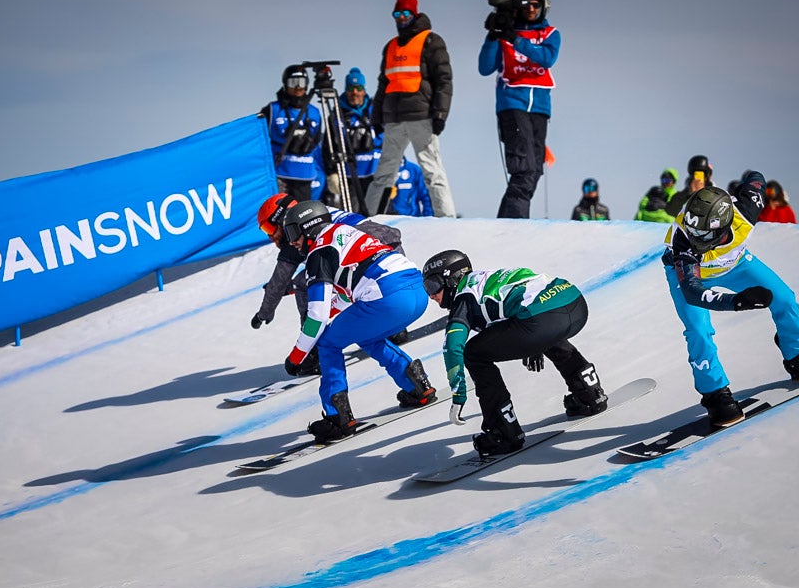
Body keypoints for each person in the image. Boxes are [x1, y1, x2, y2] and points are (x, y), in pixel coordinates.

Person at [662, 172, 799, 427]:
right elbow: (692, 292)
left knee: (784, 298)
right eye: (694, 233)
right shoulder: (683, 241)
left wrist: (752, 180)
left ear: (725, 226)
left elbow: (756, 179)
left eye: (705, 237)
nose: (697, 242)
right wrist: (735, 301)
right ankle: (714, 393)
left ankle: (798, 357)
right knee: (698, 330)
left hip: (736, 264)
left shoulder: (746, 210)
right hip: (692, 275)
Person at [420, 250, 606, 456]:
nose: (431, 295)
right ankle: (589, 394)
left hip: (542, 320)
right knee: (539, 327)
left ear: (451, 279)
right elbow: (528, 297)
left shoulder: (464, 296)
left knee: (473, 353)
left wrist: (458, 394)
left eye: (432, 285)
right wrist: (535, 343)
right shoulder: (491, 277)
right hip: (574, 301)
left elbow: (453, 347)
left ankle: (503, 432)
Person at [281, 200, 437, 442]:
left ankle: (337, 418)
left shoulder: (319, 252)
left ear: (308, 227)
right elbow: (347, 299)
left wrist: (297, 357)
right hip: (417, 290)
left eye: (292, 232)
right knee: (363, 333)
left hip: (389, 297)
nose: (292, 242)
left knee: (327, 342)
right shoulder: (344, 232)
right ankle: (416, 385)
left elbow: (317, 316)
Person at [251, 193, 405, 375]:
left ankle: (313, 352)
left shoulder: (294, 227)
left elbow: (279, 279)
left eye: (269, 228)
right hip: (386, 245)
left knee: (305, 284)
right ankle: (396, 329)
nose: (270, 237)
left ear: (281, 218)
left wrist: (264, 313)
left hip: (361, 256)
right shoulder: (316, 210)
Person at [365, 0, 456, 218]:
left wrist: (440, 114)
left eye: (406, 13)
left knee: (431, 170)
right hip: (394, 118)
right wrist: (376, 117)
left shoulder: (431, 41)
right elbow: (383, 84)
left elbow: (444, 80)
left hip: (422, 116)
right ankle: (367, 218)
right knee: (384, 172)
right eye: (397, 14)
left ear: (414, 14)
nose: (402, 18)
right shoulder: (391, 47)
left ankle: (447, 219)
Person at [477, 0, 561, 219]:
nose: (531, 8)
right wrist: (494, 36)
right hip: (512, 103)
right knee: (523, 169)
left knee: (534, 171)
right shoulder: (504, 35)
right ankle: (514, 225)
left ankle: (506, 222)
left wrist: (516, 39)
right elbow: (485, 67)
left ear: (544, 6)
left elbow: (547, 58)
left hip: (540, 109)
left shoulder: (550, 34)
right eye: (526, 3)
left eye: (536, 4)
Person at [259, 65, 323, 202]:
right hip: (279, 173)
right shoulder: (273, 110)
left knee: (302, 216)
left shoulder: (314, 112)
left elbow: (317, 140)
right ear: (285, 84)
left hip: (304, 174)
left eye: (301, 82)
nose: (298, 87)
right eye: (293, 83)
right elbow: (258, 137)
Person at [335, 66, 381, 208]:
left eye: (358, 88)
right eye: (351, 89)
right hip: (349, 175)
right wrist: (332, 173)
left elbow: (388, 140)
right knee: (353, 216)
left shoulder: (375, 110)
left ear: (364, 90)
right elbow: (329, 144)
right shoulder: (337, 112)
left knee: (378, 215)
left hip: (374, 173)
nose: (355, 93)